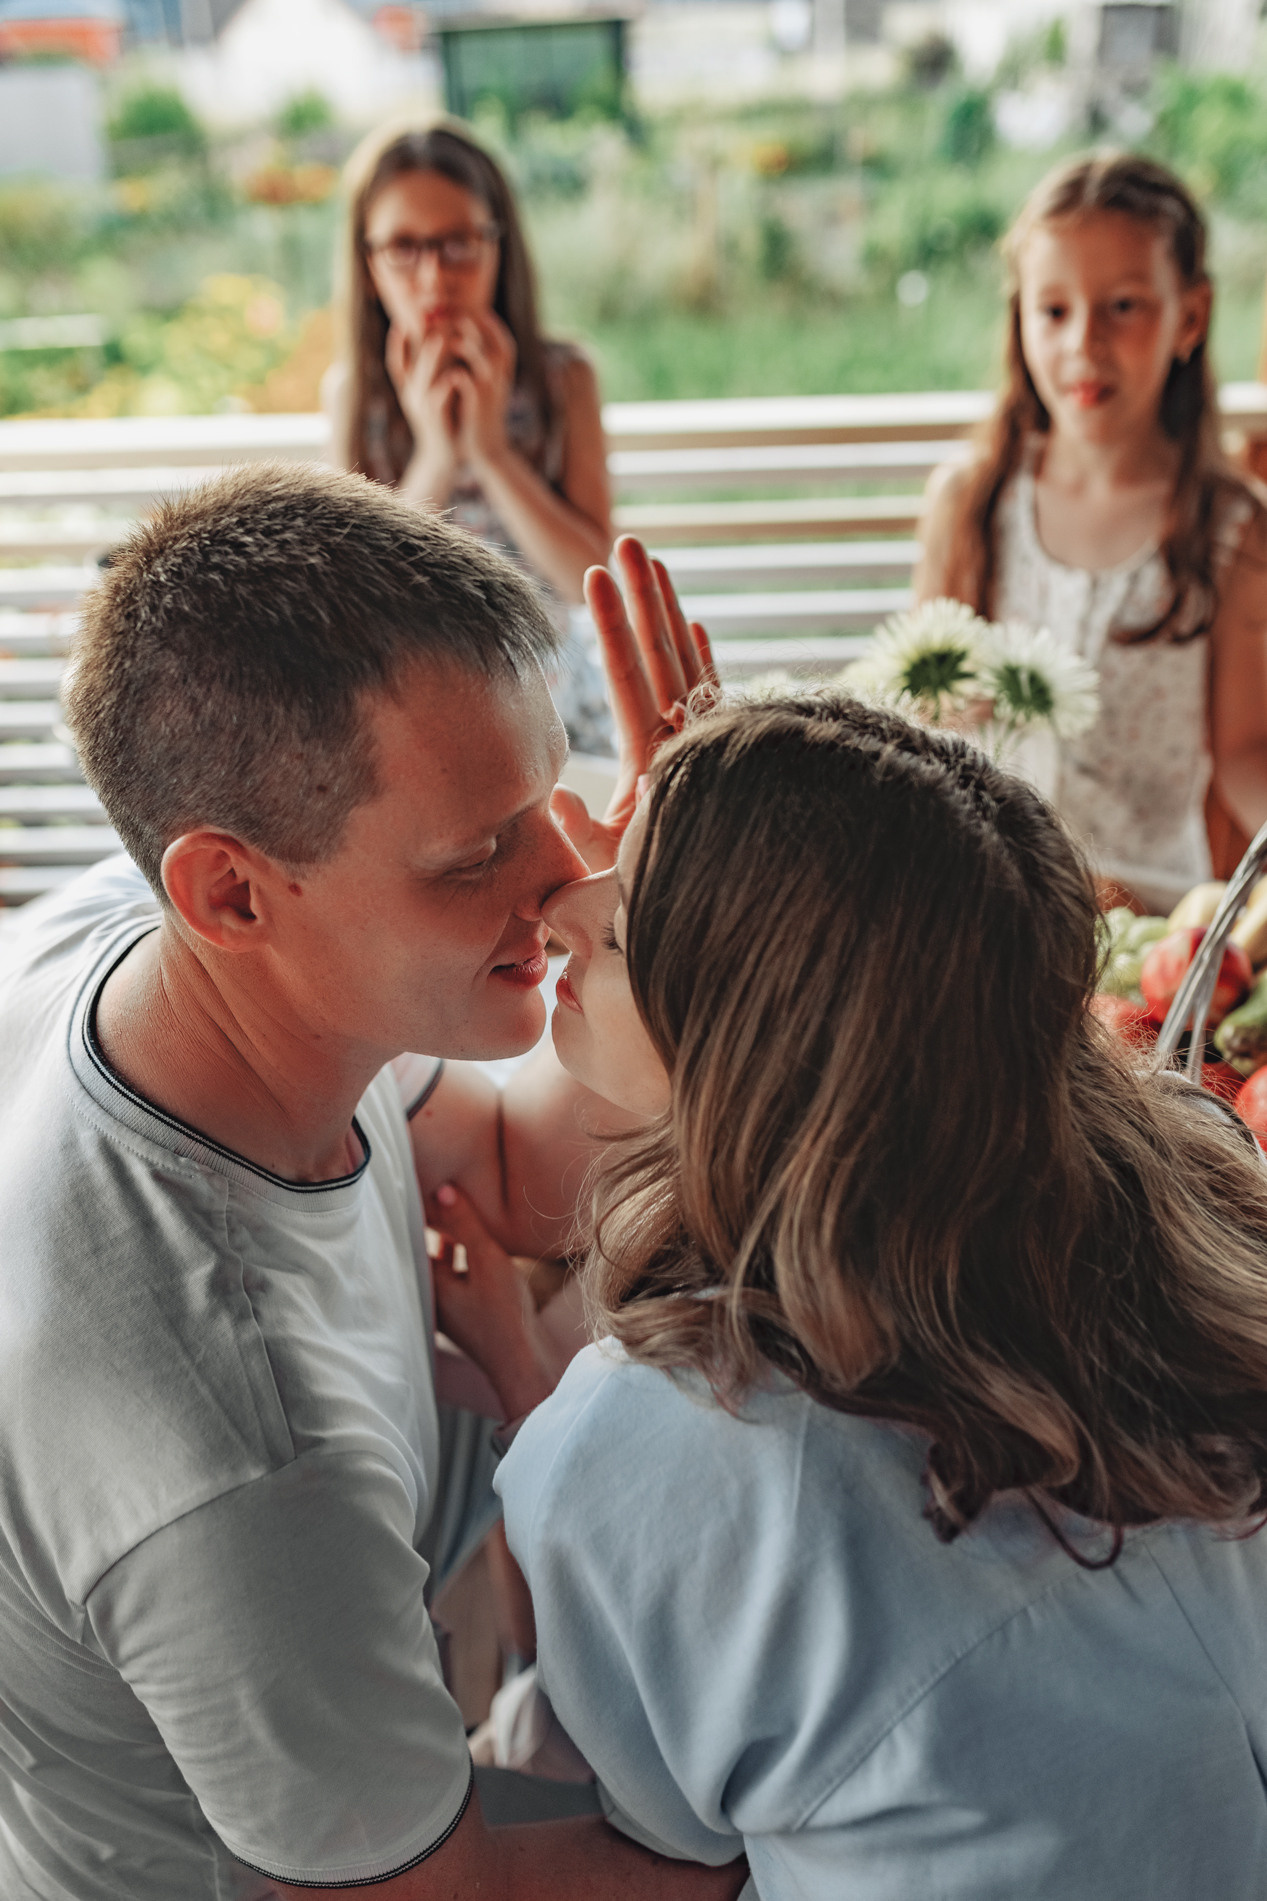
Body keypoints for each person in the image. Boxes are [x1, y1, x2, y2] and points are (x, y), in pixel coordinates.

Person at [0, 464, 741, 1901]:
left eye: (552, 798)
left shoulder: (151, 948)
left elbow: (525, 1177)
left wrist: (685, 910)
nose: (564, 873)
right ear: (228, 893)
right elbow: (438, 1897)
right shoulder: (241, 1454)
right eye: (474, 858)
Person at [428, 678, 1267, 1899]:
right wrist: (740, 821)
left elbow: (670, 1827)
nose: (564, 904)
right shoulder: (1193, 1207)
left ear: (757, 1046)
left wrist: (524, 1393)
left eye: (626, 921)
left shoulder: (646, 1448)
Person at [916, 150, 1267, 913]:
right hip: (984, 904)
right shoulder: (969, 503)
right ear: (1020, 317)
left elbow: (1241, 748)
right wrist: (954, 704)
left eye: (1123, 306)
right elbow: (917, 709)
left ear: (1190, 318)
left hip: (1146, 915)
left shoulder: (1231, 529)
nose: (1084, 341)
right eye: (1054, 310)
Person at [329, 118, 614, 753]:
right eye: (403, 248)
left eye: (458, 243)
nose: (434, 279)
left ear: (498, 246)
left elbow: (588, 578)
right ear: (368, 261)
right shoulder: (357, 397)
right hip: (422, 730)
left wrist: (490, 452)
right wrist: (435, 455)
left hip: (558, 711)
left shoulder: (563, 381)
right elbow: (359, 612)